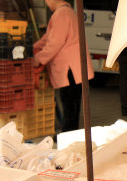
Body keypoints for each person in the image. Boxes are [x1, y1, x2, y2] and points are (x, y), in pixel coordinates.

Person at [33, 0, 94, 132]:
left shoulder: (61, 14)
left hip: (69, 68)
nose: (47, 4)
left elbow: (54, 43)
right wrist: (34, 47)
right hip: (76, 67)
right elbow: (48, 38)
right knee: (73, 103)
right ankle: (71, 133)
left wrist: (37, 59)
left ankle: (67, 134)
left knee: (69, 104)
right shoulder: (68, 12)